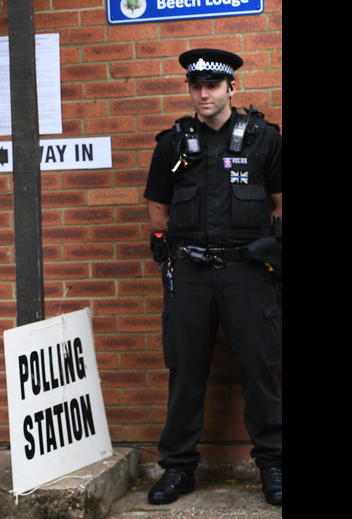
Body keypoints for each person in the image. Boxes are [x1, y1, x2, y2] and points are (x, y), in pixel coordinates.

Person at [143, 49, 282, 506]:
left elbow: (279, 203)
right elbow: (158, 206)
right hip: (191, 275)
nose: (203, 93)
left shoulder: (265, 139)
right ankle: (179, 469)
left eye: (212, 86)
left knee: (259, 370)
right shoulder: (174, 143)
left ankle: (274, 466)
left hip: (248, 272)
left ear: (231, 89)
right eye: (195, 86)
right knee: (185, 372)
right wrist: (169, 248)